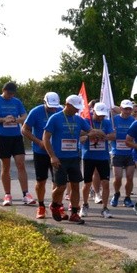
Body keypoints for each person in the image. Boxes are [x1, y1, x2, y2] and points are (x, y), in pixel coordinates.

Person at [0, 82, 35, 206]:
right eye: (9, 93)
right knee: (5, 167)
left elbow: (25, 117)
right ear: (3, 90)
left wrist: (16, 120)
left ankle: (26, 194)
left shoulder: (17, 102)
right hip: (2, 137)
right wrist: (2, 120)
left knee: (21, 164)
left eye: (13, 94)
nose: (11, 96)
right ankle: (7, 195)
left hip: (16, 136)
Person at [42, 95, 91, 224]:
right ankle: (54, 205)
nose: (77, 110)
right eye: (75, 108)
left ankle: (74, 213)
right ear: (67, 105)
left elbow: (90, 131)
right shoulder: (55, 118)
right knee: (61, 187)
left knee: (75, 185)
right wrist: (52, 156)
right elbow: (46, 138)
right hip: (60, 159)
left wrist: (100, 133)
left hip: (74, 157)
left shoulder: (78, 119)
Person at [22, 92, 63, 219]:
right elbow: (24, 130)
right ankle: (41, 206)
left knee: (58, 181)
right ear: (44, 102)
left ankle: (56, 205)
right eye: (50, 106)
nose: (53, 109)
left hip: (57, 152)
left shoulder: (61, 111)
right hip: (40, 152)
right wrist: (38, 141)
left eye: (55, 106)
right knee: (41, 181)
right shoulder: (36, 112)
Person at [80, 102, 115, 219]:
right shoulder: (86, 120)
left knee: (105, 183)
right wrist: (92, 133)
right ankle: (84, 205)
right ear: (93, 111)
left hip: (103, 157)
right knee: (87, 183)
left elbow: (113, 135)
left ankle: (105, 208)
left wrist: (104, 136)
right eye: (98, 115)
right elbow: (80, 135)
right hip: (88, 156)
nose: (101, 117)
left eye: (103, 115)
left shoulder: (107, 122)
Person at [110, 100, 137, 209]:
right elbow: (109, 133)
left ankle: (127, 197)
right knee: (118, 177)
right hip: (117, 152)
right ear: (120, 109)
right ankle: (116, 194)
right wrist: (112, 134)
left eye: (129, 109)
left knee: (130, 177)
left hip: (130, 153)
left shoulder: (134, 121)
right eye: (125, 109)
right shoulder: (113, 120)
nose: (127, 111)